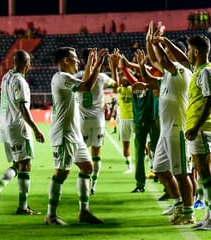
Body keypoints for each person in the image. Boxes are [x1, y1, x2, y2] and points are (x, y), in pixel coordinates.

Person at [133, 33, 196, 225]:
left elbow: (163, 60)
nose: (164, 57)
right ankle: (178, 205)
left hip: (178, 129)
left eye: (168, 52)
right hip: (165, 130)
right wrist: (142, 66)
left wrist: (157, 43)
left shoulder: (182, 70)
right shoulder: (168, 75)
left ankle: (189, 212)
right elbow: (151, 80)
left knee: (181, 173)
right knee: (160, 168)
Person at [44, 47, 107, 225]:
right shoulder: (62, 78)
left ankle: (84, 211)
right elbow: (87, 86)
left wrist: (91, 65)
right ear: (65, 60)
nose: (77, 60)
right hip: (63, 134)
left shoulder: (66, 79)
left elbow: (85, 81)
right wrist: (98, 65)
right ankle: (51, 215)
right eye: (74, 58)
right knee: (61, 173)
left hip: (74, 133)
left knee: (87, 167)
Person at [0, 50, 45, 215]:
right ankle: (23, 207)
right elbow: (23, 108)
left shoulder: (6, 76)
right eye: (29, 63)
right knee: (25, 165)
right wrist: (36, 129)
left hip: (6, 126)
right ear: (25, 63)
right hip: (18, 127)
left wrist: (0, 120)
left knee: (17, 165)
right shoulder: (19, 81)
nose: (30, 66)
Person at [184, 35, 211, 230]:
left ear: (196, 52)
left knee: (207, 172)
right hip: (199, 128)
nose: (187, 53)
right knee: (202, 174)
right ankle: (209, 216)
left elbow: (209, 101)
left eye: (188, 50)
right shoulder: (200, 70)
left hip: (202, 129)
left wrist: (196, 126)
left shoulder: (206, 71)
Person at [119, 52, 160, 193]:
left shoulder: (152, 77)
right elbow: (133, 75)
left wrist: (128, 65)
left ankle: (159, 175)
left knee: (157, 150)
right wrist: (124, 67)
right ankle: (140, 183)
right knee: (141, 153)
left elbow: (149, 69)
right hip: (142, 121)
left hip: (153, 120)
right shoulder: (135, 82)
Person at [77, 48, 115, 195]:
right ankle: (93, 184)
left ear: (82, 60)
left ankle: (85, 182)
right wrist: (114, 68)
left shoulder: (78, 75)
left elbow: (84, 83)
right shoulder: (102, 77)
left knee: (83, 153)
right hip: (98, 121)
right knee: (96, 153)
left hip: (83, 121)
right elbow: (116, 84)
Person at [109, 49, 135, 173]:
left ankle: (150, 163)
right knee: (125, 143)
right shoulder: (120, 90)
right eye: (121, 77)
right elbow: (114, 85)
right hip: (124, 119)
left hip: (136, 119)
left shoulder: (134, 88)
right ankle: (129, 166)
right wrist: (114, 67)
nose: (122, 78)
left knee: (145, 143)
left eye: (125, 77)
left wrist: (124, 66)